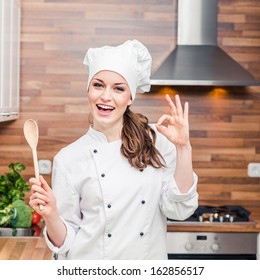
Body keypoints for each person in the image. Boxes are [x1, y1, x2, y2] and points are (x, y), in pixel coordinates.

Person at [29, 39, 198, 260]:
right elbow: (65, 242)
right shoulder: (68, 159)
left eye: (118, 88)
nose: (106, 96)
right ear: (88, 90)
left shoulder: (157, 141)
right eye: (98, 85)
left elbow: (179, 209)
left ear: (130, 98)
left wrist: (184, 148)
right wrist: (51, 215)